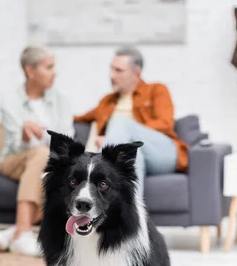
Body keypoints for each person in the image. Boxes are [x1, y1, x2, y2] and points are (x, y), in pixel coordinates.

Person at [0, 45, 73, 256]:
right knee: (40, 153)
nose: (54, 72)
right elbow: (12, 145)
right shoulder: (11, 101)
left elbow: (67, 141)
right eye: (48, 67)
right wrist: (24, 135)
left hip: (46, 163)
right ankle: (25, 231)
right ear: (30, 71)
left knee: (46, 163)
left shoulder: (61, 100)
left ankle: (16, 232)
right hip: (13, 160)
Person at [74, 46, 188, 195]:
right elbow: (79, 118)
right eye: (112, 69)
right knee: (133, 156)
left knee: (120, 122)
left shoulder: (156, 90)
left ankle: (103, 167)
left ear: (136, 73)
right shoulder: (107, 102)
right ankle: (131, 215)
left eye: (118, 70)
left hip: (162, 154)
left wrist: (112, 138)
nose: (112, 75)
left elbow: (165, 124)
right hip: (132, 153)